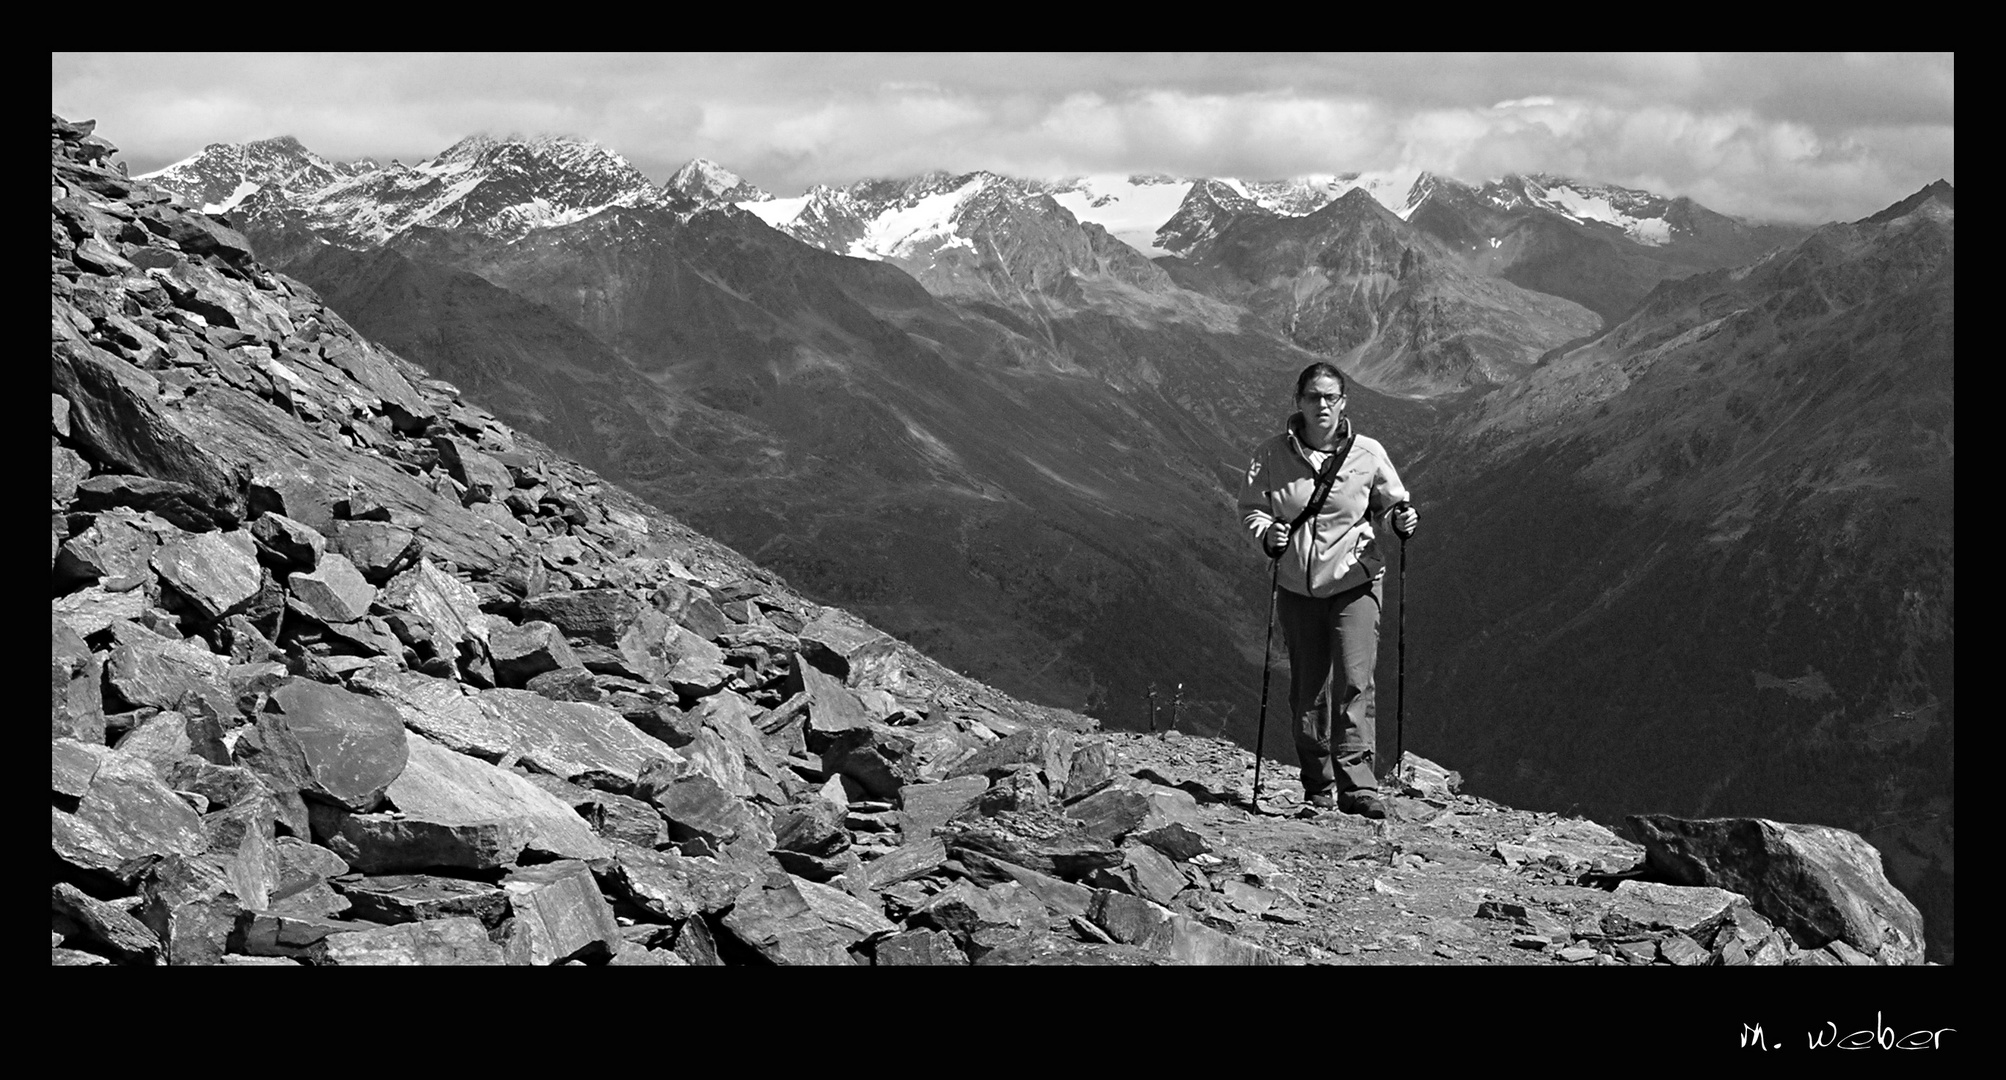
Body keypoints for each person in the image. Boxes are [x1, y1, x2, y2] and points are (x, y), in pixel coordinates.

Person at [1238, 362, 1417, 818]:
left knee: (1356, 683)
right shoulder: (1271, 454)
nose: (1322, 405)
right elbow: (1252, 509)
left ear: (1343, 403)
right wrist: (1266, 535)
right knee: (1308, 691)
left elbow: (1394, 503)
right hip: (1299, 587)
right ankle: (1317, 786)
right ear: (1298, 401)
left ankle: (1358, 786)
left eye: (1331, 397)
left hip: (1356, 582)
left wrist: (1402, 520)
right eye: (1314, 396)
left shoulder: (1368, 453)